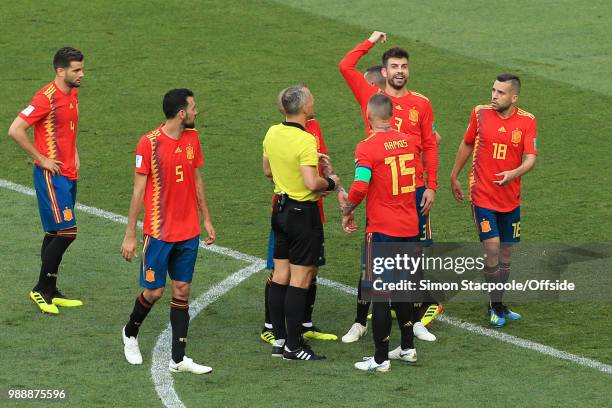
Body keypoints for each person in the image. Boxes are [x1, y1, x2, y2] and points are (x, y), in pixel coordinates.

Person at [339, 31, 439, 343]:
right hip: (380, 191)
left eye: (403, 66)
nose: (399, 71)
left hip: (414, 191)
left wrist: (432, 187)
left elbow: (430, 146)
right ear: (383, 71)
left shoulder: (421, 103)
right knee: (371, 259)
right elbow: (345, 66)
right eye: (394, 66)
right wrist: (369, 40)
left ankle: (416, 321)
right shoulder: (370, 97)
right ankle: (360, 321)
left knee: (412, 258)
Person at [120, 88, 216, 374]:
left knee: (182, 290)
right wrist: (130, 234)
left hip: (188, 231)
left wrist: (207, 219)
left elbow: (197, 180)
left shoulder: (193, 138)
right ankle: (130, 333)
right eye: (193, 108)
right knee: (154, 291)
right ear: (181, 113)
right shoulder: (148, 143)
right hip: (159, 233)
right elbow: (138, 192)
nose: (197, 112)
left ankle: (179, 359)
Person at [450, 74, 538, 327]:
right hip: (483, 195)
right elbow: (467, 143)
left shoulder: (527, 121)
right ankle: (494, 304)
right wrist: (454, 175)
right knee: (492, 248)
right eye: (493, 90)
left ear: (514, 97)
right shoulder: (480, 113)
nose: (494, 96)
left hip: (511, 199)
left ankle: (498, 302)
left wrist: (514, 173)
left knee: (507, 254)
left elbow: (531, 158)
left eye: (500, 93)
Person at [342, 94, 420, 372]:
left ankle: (380, 358)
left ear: (369, 116)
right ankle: (408, 348)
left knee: (380, 293)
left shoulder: (368, 147)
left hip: (383, 230)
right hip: (410, 227)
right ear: (392, 115)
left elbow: (361, 185)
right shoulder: (410, 141)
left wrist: (347, 208)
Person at [262, 85, 340, 361]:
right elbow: (311, 182)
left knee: (280, 275)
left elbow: (268, 170)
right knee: (300, 278)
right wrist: (331, 182)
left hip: (280, 210)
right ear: (304, 107)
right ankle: (294, 347)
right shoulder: (306, 140)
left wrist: (301, 162)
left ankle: (279, 339)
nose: (313, 102)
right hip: (302, 213)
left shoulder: (272, 132)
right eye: (312, 99)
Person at [8, 47, 85, 315]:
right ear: (60, 71)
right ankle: (40, 289)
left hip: (68, 173)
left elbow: (67, 129)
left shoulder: (72, 93)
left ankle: (51, 290)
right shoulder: (45, 99)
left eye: (81, 69)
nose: (81, 74)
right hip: (52, 177)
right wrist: (41, 158)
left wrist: (73, 152)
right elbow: (15, 129)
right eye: (76, 70)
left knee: (55, 232)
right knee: (67, 231)